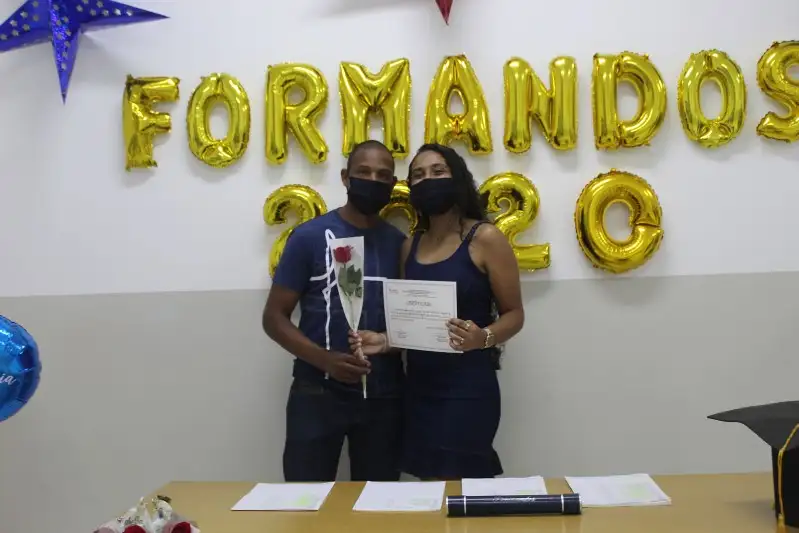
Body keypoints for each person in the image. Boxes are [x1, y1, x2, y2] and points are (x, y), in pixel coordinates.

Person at [351, 143, 525, 480]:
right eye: (418, 175)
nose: (427, 179)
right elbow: (414, 322)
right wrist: (384, 341)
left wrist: (482, 338)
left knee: (460, 488)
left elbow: (514, 314)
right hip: (418, 388)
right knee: (428, 487)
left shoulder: (485, 238)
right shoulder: (409, 246)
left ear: (456, 178)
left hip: (467, 389)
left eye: (437, 171)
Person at [263, 140, 407, 482]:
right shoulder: (309, 237)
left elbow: (409, 321)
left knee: (379, 501)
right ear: (345, 177)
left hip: (384, 393)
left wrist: (388, 341)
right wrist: (324, 360)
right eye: (364, 172)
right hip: (317, 390)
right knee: (306, 498)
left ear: (392, 184)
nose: (373, 180)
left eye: (383, 175)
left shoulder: (399, 244)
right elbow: (274, 317)